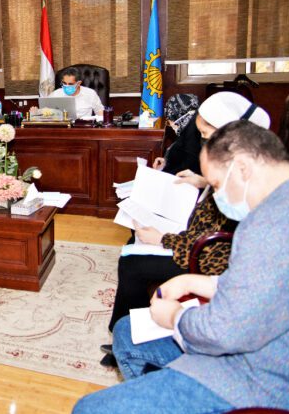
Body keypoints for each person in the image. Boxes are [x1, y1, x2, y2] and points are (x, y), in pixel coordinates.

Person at [74, 121, 289, 413]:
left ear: (243, 168)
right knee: (125, 331)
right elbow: (266, 285)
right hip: (251, 345)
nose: (216, 195)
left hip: (259, 377)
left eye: (216, 185)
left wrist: (175, 317)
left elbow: (223, 331)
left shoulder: (273, 225)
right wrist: (195, 282)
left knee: (89, 408)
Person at [98, 95, 271, 367]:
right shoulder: (238, 162)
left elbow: (214, 249)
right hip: (194, 235)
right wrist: (202, 181)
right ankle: (129, 333)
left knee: (132, 262)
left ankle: (130, 339)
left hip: (205, 255)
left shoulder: (245, 177)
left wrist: (162, 238)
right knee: (135, 240)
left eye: (205, 134)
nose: (202, 140)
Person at [152, 94, 201, 174]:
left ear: (177, 116)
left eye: (169, 121)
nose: (171, 126)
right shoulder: (194, 132)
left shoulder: (191, 141)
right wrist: (166, 164)